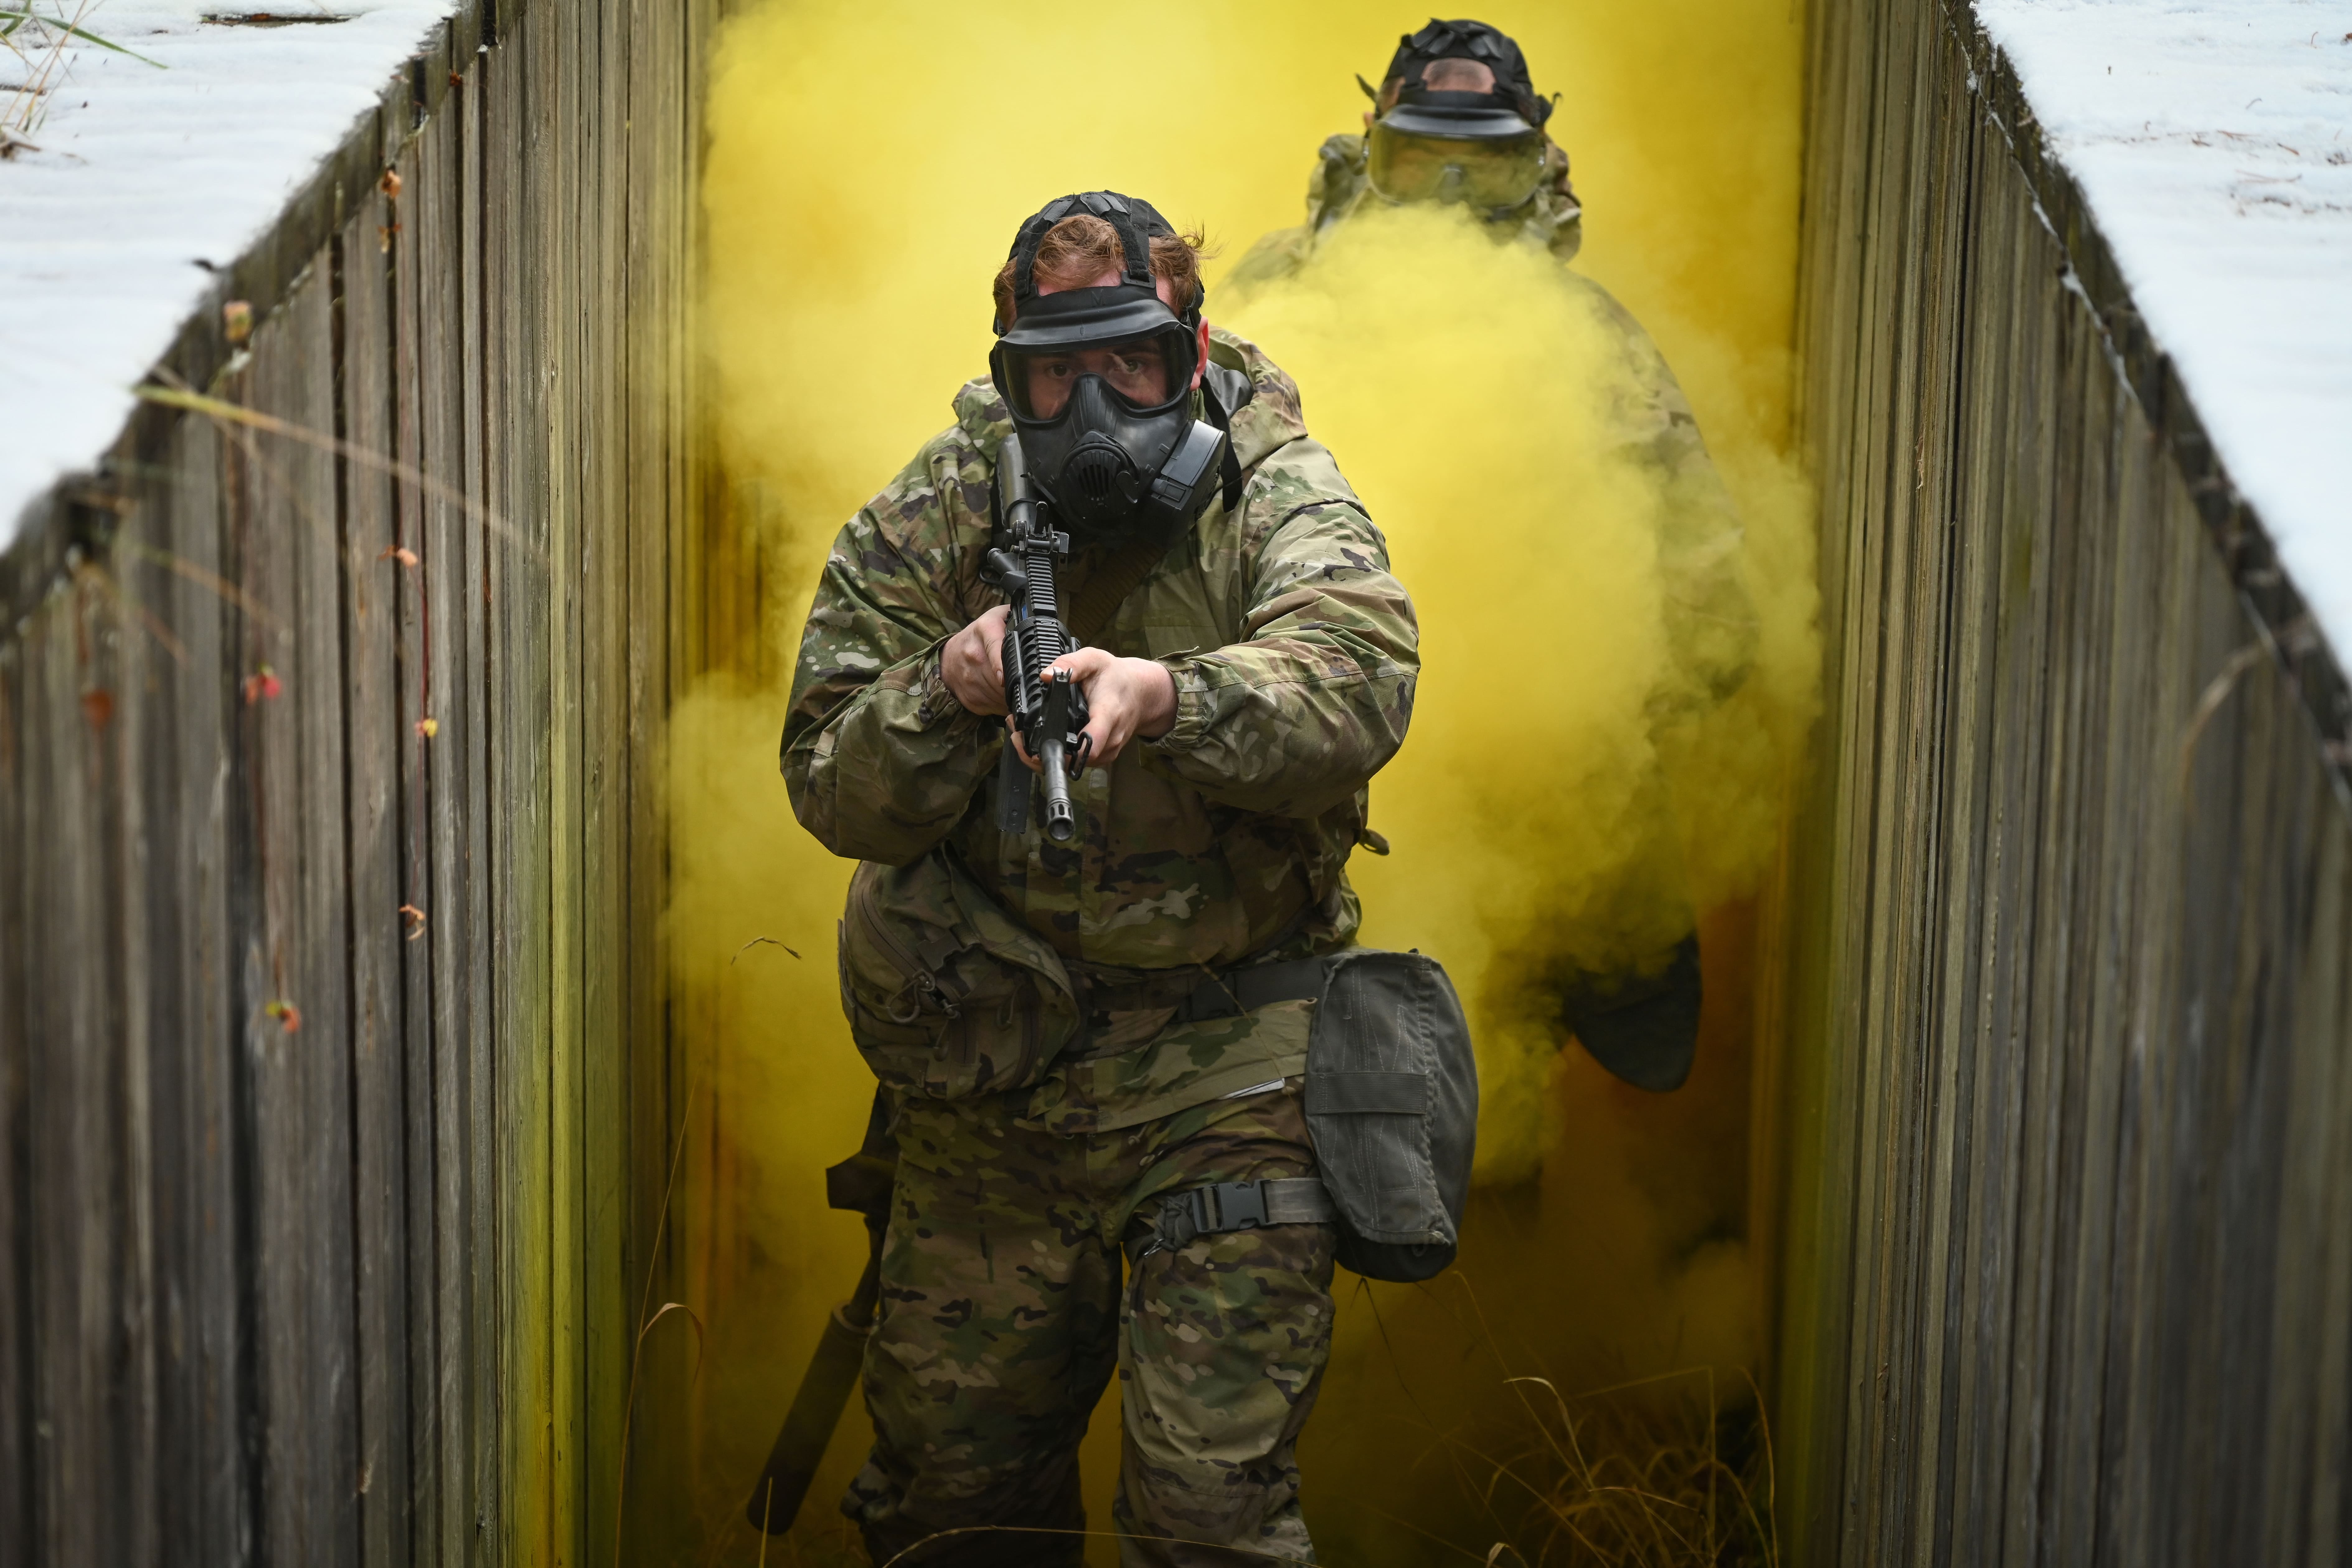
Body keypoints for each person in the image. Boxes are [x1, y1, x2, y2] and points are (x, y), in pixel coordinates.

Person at [780, 190, 1417, 1566]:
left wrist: (1170, 697)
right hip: (991, 1068)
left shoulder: (1272, 484)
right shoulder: (940, 504)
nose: (1090, 407)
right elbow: (826, 782)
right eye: (1053, 373)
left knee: (1206, 1517)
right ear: (1008, 370)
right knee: (958, 1505)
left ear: (1191, 350)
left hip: (1229, 1058)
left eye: (1129, 362)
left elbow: (1360, 677)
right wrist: (946, 691)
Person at [1229, 18, 1757, 1094]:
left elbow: (1706, 592)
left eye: (1485, 168)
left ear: (1536, 167)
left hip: (1530, 781)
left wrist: (1613, 723)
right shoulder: (1277, 299)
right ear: (1371, 146)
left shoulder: (1586, 339)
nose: (1450, 199)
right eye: (1420, 162)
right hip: (1316, 754)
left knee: (1501, 1050)